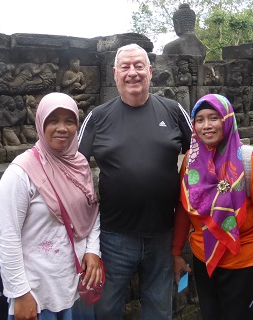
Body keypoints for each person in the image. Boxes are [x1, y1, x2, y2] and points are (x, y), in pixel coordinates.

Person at [78, 43, 192, 319]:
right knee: (106, 310)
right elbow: (72, 168)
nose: (133, 73)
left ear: (150, 72)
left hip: (163, 236)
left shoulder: (174, 111)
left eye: (139, 66)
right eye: (125, 67)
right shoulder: (98, 117)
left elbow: (202, 153)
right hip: (114, 236)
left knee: (160, 309)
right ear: (115, 74)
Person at [172, 93, 253, 320]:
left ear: (227, 119)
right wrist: (176, 253)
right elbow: (184, 208)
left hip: (244, 263)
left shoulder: (252, 161)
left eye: (214, 118)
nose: (206, 126)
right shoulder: (190, 162)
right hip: (203, 260)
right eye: (199, 120)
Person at [0, 92, 102, 320]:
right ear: (40, 123)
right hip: (38, 292)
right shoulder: (21, 172)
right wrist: (20, 294)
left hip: (77, 284)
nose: (62, 128)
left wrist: (93, 250)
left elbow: (91, 212)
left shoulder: (80, 164)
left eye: (69, 121)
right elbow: (8, 237)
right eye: (53, 121)